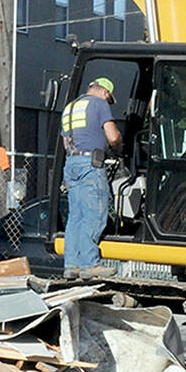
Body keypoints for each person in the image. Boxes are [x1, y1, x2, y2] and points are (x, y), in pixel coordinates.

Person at [60, 77, 121, 278]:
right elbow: (112, 137)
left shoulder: (70, 107)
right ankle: (90, 264)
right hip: (90, 164)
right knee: (94, 214)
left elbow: (65, 142)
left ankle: (72, 265)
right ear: (105, 92)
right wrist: (118, 145)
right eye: (109, 98)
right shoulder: (100, 104)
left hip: (71, 164)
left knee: (75, 216)